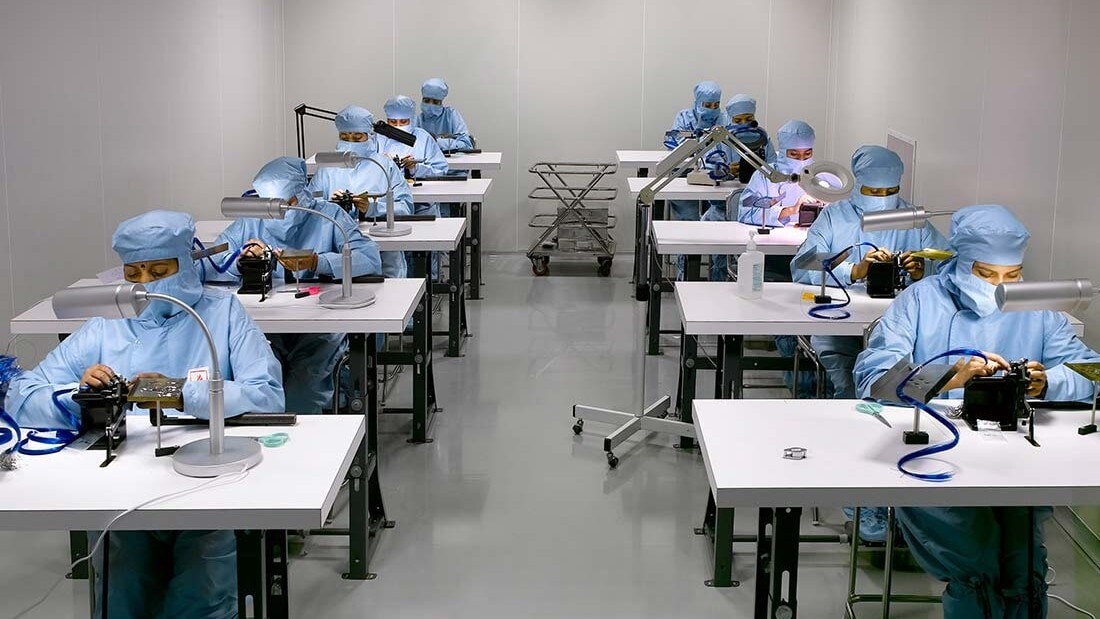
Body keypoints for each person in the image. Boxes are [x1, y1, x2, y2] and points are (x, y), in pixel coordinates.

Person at [5, 210, 284, 618]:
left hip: (206, 488)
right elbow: (21, 394)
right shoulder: (107, 323)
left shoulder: (222, 315)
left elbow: (267, 395)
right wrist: (80, 397)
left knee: (201, 597)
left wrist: (182, 393)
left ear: (185, 263)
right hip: (121, 492)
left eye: (159, 270)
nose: (146, 283)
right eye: (133, 272)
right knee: (122, 594)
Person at [854, 204, 1100, 618]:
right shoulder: (921, 300)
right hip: (936, 452)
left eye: (1012, 275)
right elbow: (875, 378)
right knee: (974, 559)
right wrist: (947, 377)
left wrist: (1048, 382)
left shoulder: (1036, 308)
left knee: (1024, 563)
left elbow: (1090, 372)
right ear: (963, 262)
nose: (1000, 287)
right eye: (986, 274)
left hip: (1016, 453)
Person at [208, 156, 381, 413]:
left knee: (302, 396)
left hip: (318, 328)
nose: (276, 212)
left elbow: (369, 258)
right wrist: (242, 260)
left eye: (285, 204)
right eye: (269, 204)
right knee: (256, 390)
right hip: (265, 327)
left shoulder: (329, 216)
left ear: (302, 196)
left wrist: (317, 262)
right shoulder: (252, 218)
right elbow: (212, 261)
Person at [792, 145, 949, 399]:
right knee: (848, 388)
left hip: (899, 326)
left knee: (896, 387)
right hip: (839, 327)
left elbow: (950, 269)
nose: (882, 199)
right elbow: (803, 264)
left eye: (890, 192)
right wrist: (853, 270)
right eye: (873, 192)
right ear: (858, 185)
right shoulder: (835, 217)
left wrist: (922, 270)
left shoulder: (914, 220)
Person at [309, 104, 413, 278]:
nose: (350, 143)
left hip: (382, 248)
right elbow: (309, 208)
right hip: (337, 246)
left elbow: (405, 206)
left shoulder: (383, 166)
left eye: (357, 138)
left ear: (369, 136)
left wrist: (371, 208)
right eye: (345, 137)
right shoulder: (327, 168)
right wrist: (331, 206)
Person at [698, 93, 775, 281]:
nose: (743, 124)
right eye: (738, 120)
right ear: (730, 120)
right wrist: (724, 170)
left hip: (755, 212)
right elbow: (707, 166)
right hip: (721, 212)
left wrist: (759, 172)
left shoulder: (763, 140)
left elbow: (774, 168)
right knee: (721, 262)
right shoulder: (720, 138)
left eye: (749, 119)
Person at [381, 95, 449, 217]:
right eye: (393, 122)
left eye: (403, 122)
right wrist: (382, 163)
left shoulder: (423, 138)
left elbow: (440, 170)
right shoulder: (378, 139)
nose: (398, 126)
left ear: (412, 119)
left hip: (423, 206)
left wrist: (415, 168)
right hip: (386, 201)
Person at [418, 77, 474, 152]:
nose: (430, 105)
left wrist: (439, 142)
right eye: (426, 100)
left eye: (435, 102)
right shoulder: (417, 121)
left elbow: (466, 145)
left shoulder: (451, 116)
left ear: (441, 102)